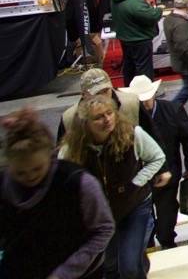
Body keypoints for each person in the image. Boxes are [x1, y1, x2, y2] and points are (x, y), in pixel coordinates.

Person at [1, 108, 115, 279]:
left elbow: (104, 229)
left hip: (80, 274)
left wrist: (64, 273)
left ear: (50, 155)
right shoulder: (3, 185)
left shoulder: (79, 182)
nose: (30, 176)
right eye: (20, 173)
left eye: (37, 169)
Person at [61, 95, 167, 279]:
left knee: (128, 268)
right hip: (101, 213)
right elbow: (62, 176)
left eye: (110, 113)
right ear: (86, 123)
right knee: (110, 266)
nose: (107, 119)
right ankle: (137, 259)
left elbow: (157, 157)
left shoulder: (133, 134)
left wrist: (137, 182)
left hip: (134, 205)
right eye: (99, 117)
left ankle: (135, 261)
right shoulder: (72, 148)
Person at [127, 75, 188, 250]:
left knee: (166, 222)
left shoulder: (173, 110)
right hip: (141, 178)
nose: (144, 104)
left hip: (168, 174)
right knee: (144, 225)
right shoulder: (129, 119)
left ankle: (167, 241)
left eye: (146, 99)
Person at [59, 68, 151, 141]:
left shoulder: (132, 103)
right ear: (83, 95)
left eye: (106, 91)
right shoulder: (69, 119)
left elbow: (153, 138)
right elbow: (61, 158)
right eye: (97, 93)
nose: (103, 97)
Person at [110, 0, 162, 87]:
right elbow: (151, 16)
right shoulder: (132, 2)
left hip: (126, 39)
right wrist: (159, 10)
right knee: (144, 68)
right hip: (139, 40)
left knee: (130, 66)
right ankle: (147, 91)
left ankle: (130, 88)